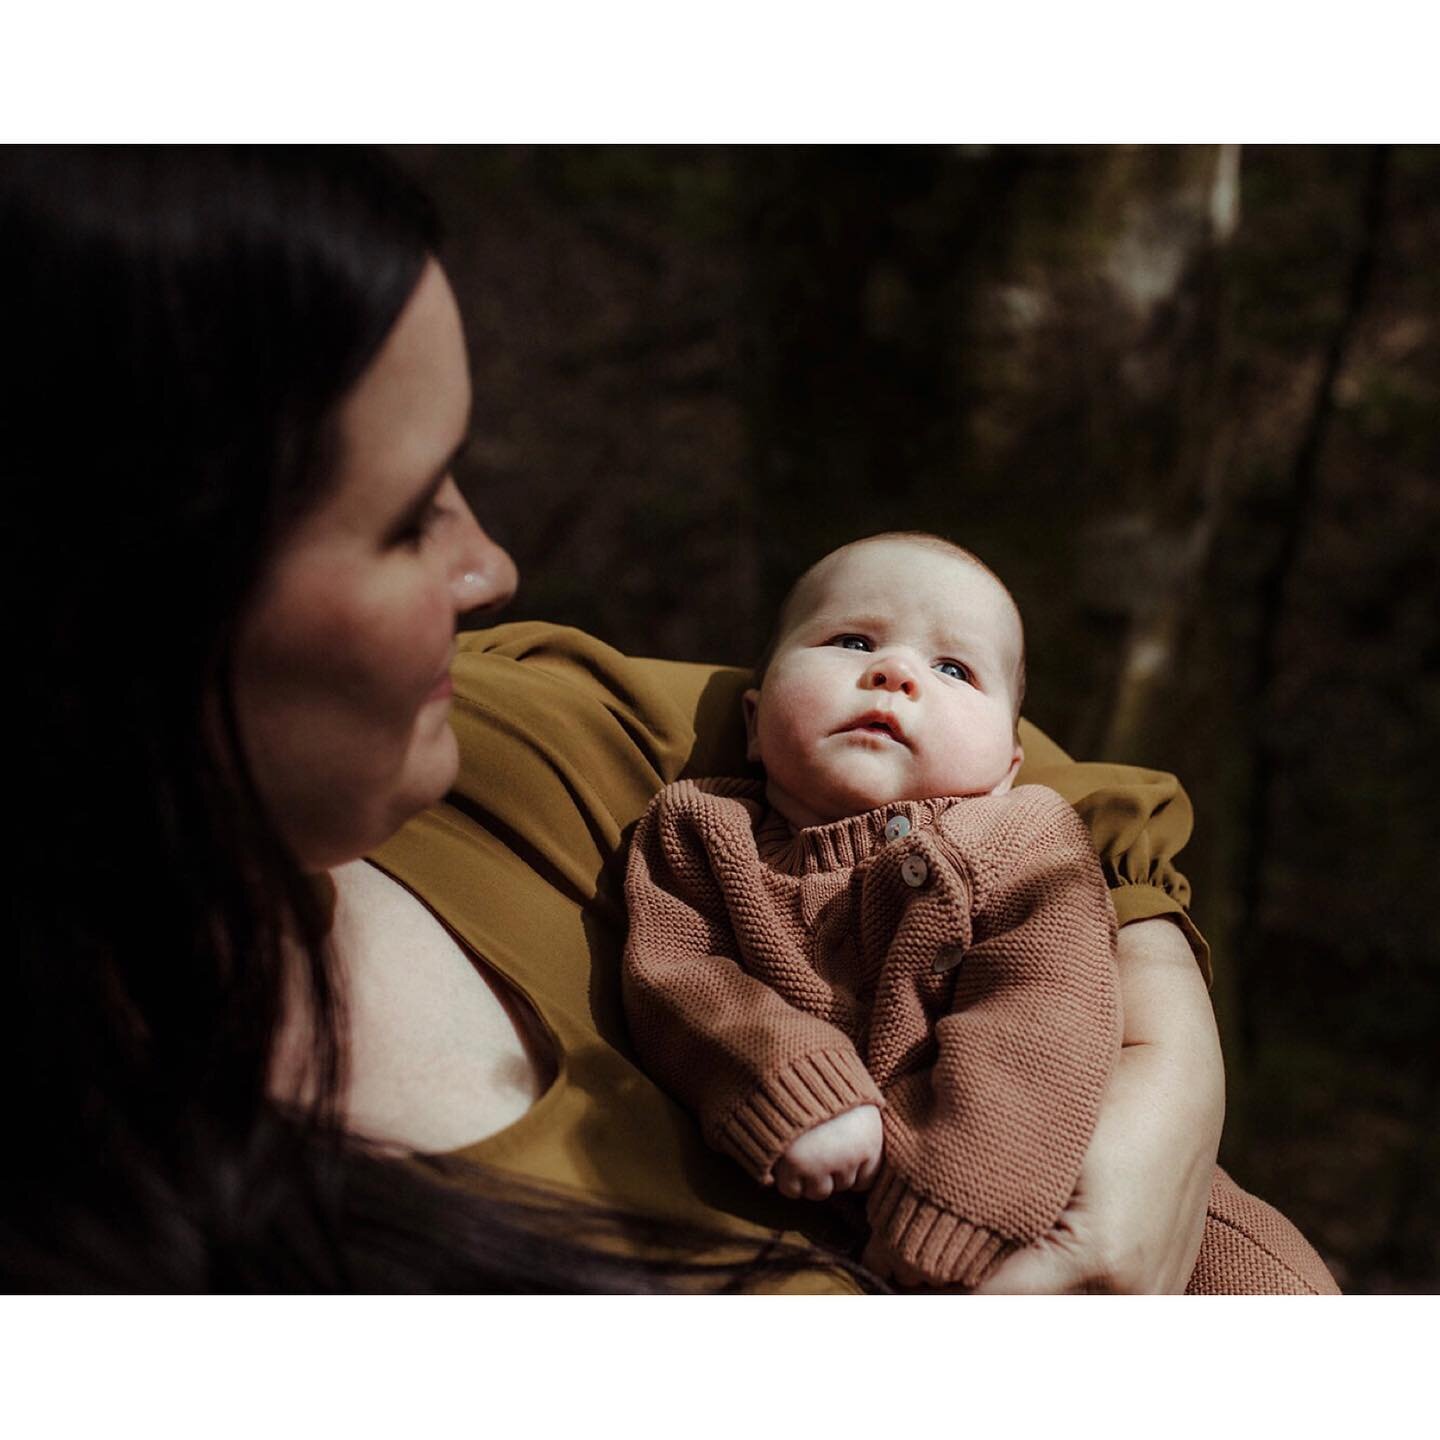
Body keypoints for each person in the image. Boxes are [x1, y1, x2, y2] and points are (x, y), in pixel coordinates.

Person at [2, 144, 1294, 1292]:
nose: (490, 567)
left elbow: (1058, 792)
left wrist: (1166, 1075)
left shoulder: (524, 735)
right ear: (119, 608)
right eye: (409, 520)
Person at [622, 533, 1339, 1292]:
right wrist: (788, 1083)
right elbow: (677, 979)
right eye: (852, 639)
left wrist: (953, 1209)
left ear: (1008, 766)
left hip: (1102, 1204)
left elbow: (1042, 1014)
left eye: (953, 669)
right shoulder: (697, 829)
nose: (894, 673)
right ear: (754, 720)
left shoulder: (1023, 836)